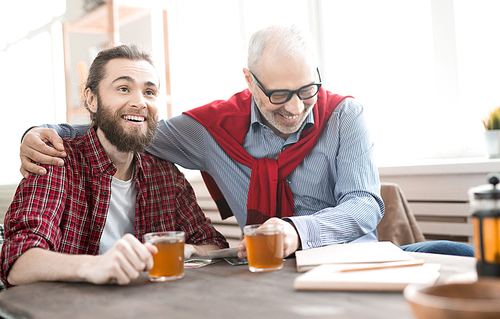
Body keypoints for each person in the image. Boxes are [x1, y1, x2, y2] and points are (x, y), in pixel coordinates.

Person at [18, 25, 473, 259]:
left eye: (306, 91)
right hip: (266, 274)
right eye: (278, 96)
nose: (295, 108)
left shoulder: (344, 115)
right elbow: (130, 127)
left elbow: (365, 204)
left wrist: (298, 231)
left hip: (348, 265)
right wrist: (45, 132)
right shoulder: (209, 129)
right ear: (250, 82)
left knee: (460, 256)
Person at [1, 45, 228, 288]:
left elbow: (214, 244)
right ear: (91, 99)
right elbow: (18, 261)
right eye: (123, 88)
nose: (140, 102)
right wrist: (93, 265)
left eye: (149, 91)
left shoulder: (165, 174)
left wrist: (189, 249)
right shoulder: (58, 161)